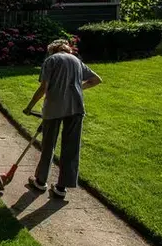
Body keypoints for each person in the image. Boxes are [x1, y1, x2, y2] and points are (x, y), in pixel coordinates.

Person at [23, 39, 102, 198]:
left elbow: (43, 87)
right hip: (76, 109)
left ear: (52, 50)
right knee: (71, 147)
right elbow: (96, 80)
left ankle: (40, 181)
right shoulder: (77, 62)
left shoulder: (51, 60)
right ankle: (61, 187)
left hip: (54, 109)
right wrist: (79, 88)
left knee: (48, 145)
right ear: (67, 50)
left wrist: (29, 107)